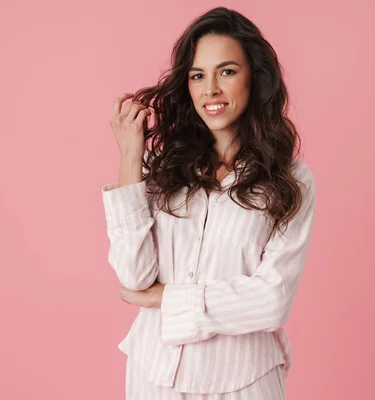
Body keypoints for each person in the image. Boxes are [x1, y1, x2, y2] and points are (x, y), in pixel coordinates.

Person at [101, 6, 316, 399]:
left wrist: (167, 297)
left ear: (256, 78)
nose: (210, 89)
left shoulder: (291, 180)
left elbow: (271, 301)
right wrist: (131, 156)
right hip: (154, 375)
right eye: (198, 75)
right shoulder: (163, 167)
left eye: (227, 72)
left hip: (243, 381)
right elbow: (133, 277)